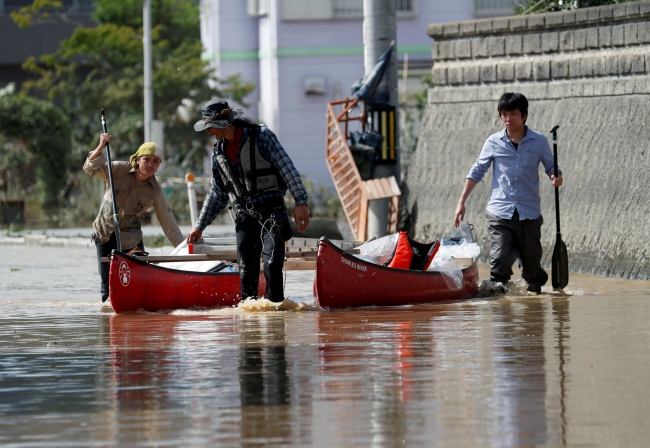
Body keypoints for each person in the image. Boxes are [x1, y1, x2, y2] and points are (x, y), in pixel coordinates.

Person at [187, 99, 309, 303]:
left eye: (210, 127)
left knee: (271, 264)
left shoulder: (262, 136)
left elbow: (288, 169)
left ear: (224, 123)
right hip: (245, 214)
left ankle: (276, 312)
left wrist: (301, 203)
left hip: (272, 211)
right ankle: (249, 316)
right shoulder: (218, 153)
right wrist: (200, 226)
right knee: (246, 269)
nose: (208, 132)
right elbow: (218, 193)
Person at [453, 92, 564, 293]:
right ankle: (500, 313)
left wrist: (556, 176)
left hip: (529, 212)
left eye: (513, 114)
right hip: (499, 212)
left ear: (524, 115)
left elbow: (551, 167)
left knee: (531, 270)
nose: (508, 119)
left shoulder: (538, 141)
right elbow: (477, 170)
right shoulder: (493, 142)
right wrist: (462, 201)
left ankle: (534, 300)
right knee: (500, 263)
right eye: (504, 114)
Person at [84, 136, 184, 302]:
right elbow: (90, 168)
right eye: (147, 160)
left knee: (137, 282)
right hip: (104, 234)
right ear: (137, 160)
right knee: (107, 287)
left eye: (156, 161)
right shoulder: (118, 169)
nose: (151, 165)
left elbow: (168, 224)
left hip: (131, 240)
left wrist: (184, 249)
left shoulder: (155, 191)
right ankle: (110, 318)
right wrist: (101, 146)